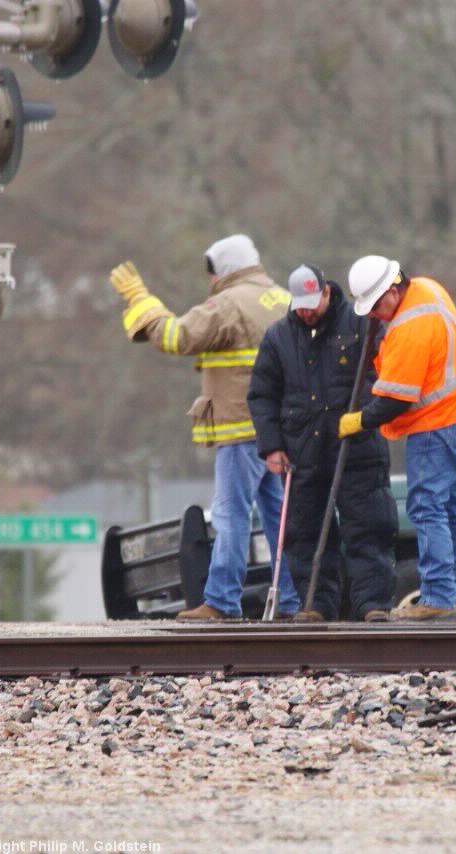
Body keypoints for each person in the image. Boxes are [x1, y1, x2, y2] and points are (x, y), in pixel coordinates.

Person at [109, 233, 302, 621]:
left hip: (239, 428)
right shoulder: (283, 299)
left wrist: (140, 300)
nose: (211, 281)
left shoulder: (229, 303)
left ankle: (221, 602)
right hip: (278, 433)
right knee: (281, 521)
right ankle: (293, 603)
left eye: (213, 272)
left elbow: (177, 337)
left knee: (230, 516)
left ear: (225, 269)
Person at [339, 256, 456, 623]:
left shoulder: (409, 328)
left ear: (393, 290)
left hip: (436, 424)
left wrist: (359, 420)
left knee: (426, 507)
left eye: (376, 306)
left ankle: (438, 597)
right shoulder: (427, 289)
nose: (374, 315)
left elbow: (393, 400)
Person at [248, 264, 398, 622]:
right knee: (305, 534)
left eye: (313, 303)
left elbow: (384, 376)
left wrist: (366, 414)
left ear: (329, 293)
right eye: (300, 304)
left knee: (369, 528)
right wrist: (271, 446)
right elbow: (262, 395)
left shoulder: (362, 324)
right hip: (302, 454)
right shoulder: (278, 337)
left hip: (358, 451)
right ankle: (315, 604)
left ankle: (372, 606)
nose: (306, 311)